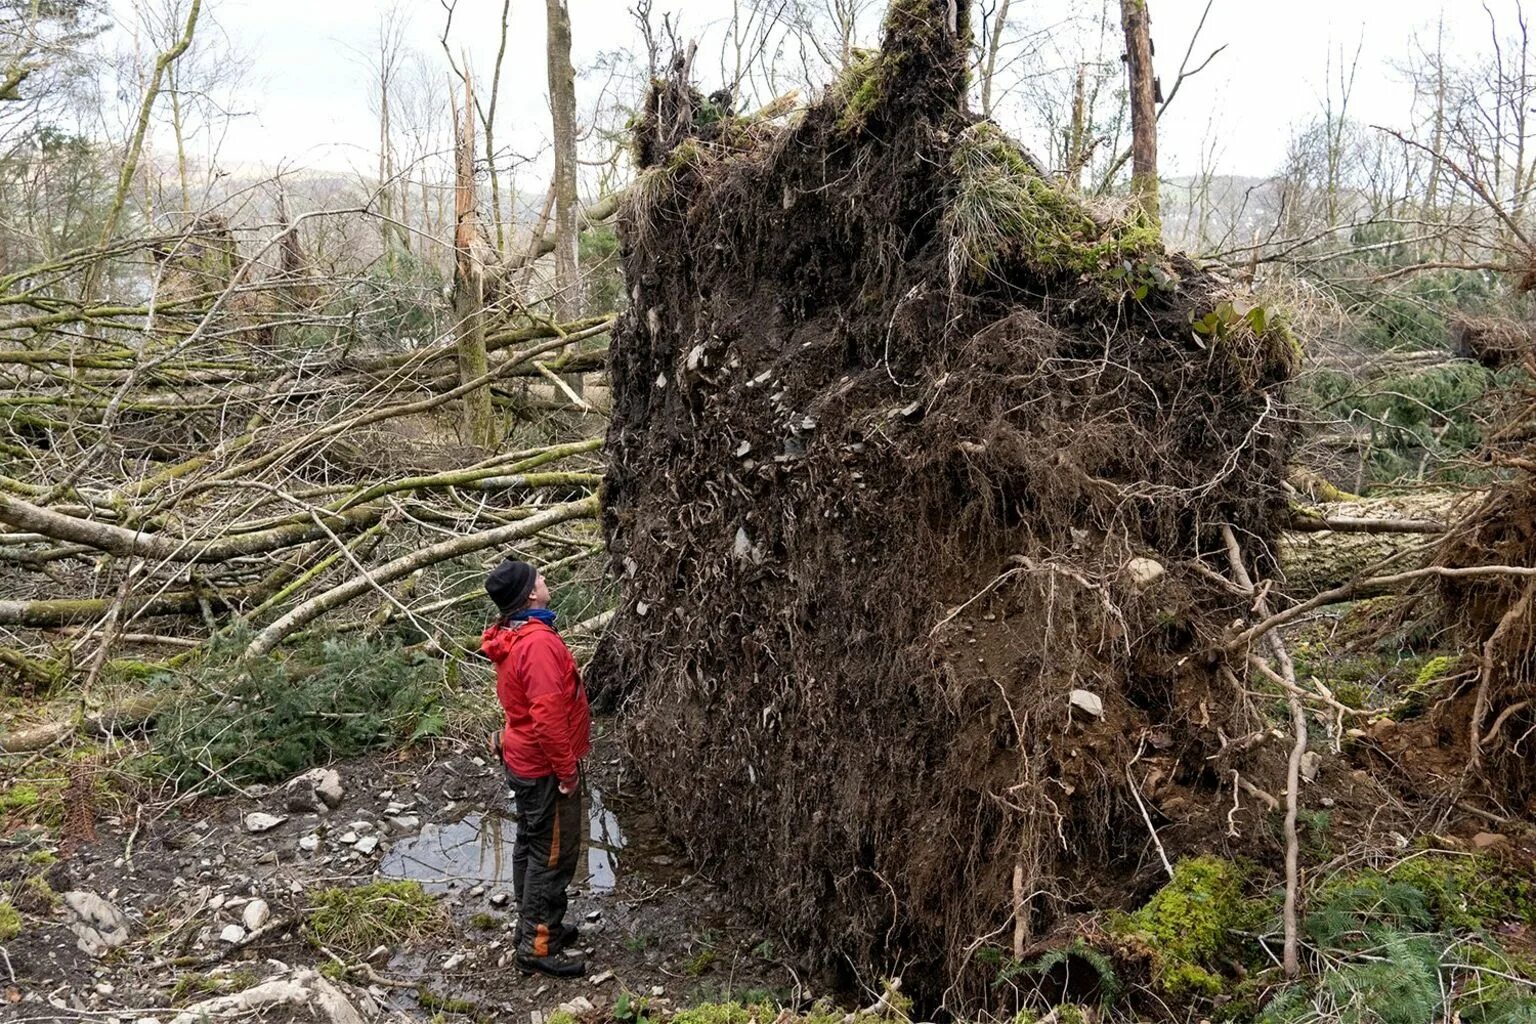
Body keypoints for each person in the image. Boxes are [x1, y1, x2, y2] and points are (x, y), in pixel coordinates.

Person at [483, 558, 592, 979]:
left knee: (530, 845)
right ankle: (536, 945)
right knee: (552, 854)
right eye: (539, 577)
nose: (546, 579)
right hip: (543, 766)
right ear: (529, 594)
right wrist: (567, 773)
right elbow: (548, 717)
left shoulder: (512, 635)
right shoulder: (538, 643)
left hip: (523, 759)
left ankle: (540, 927)